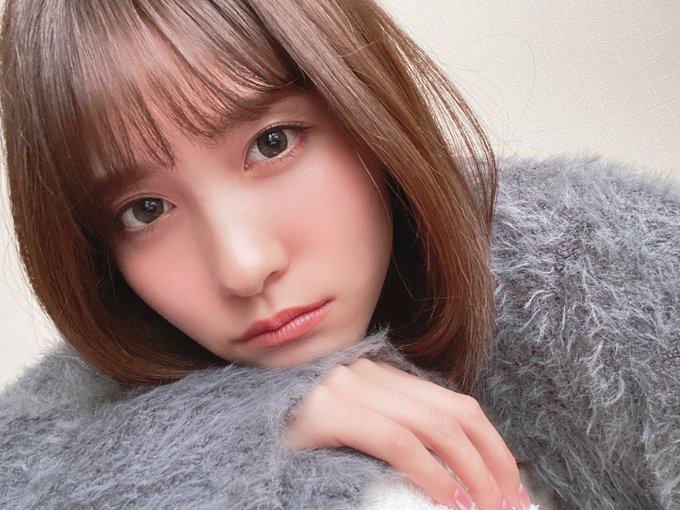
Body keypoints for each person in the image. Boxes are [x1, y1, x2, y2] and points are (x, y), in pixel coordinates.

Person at [0, 1, 677, 509]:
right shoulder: (67, 419)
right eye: (145, 210)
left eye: (272, 143)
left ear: (365, 108)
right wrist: (228, 429)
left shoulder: (612, 278)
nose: (243, 266)